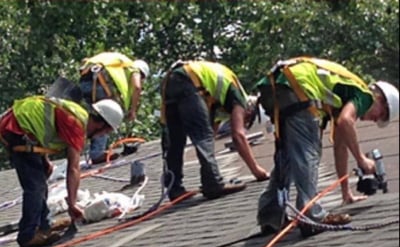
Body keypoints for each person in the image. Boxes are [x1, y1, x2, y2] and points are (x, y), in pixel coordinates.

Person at [255, 56, 399, 237]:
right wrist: (361, 159)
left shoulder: (339, 98)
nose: (375, 119)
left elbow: (340, 146)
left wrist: (346, 193)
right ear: (380, 98)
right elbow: (346, 121)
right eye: (382, 114)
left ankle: (271, 217)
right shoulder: (364, 95)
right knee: (308, 153)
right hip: (298, 86)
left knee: (289, 157)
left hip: (274, 85)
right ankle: (311, 216)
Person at [0, 96, 124, 247]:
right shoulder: (76, 125)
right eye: (105, 132)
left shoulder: (78, 115)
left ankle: (44, 225)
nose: (101, 136)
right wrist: (72, 204)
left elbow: (42, 126)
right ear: (100, 124)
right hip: (16, 130)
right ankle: (28, 236)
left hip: (22, 128)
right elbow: (73, 168)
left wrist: (45, 160)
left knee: (41, 177)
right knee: (35, 187)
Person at [160, 60, 270, 201]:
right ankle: (213, 184)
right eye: (248, 119)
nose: (245, 121)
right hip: (189, 82)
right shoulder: (239, 97)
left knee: (176, 140)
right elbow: (238, 136)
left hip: (170, 82)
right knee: (202, 137)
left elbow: (212, 131)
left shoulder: (215, 101)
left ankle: (174, 190)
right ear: (250, 109)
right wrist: (257, 171)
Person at [78, 52, 150, 164]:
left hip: (85, 80)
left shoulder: (121, 65)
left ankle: (82, 148)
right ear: (142, 73)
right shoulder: (133, 69)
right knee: (107, 117)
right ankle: (97, 153)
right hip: (99, 82)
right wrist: (133, 110)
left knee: (93, 119)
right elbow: (137, 87)